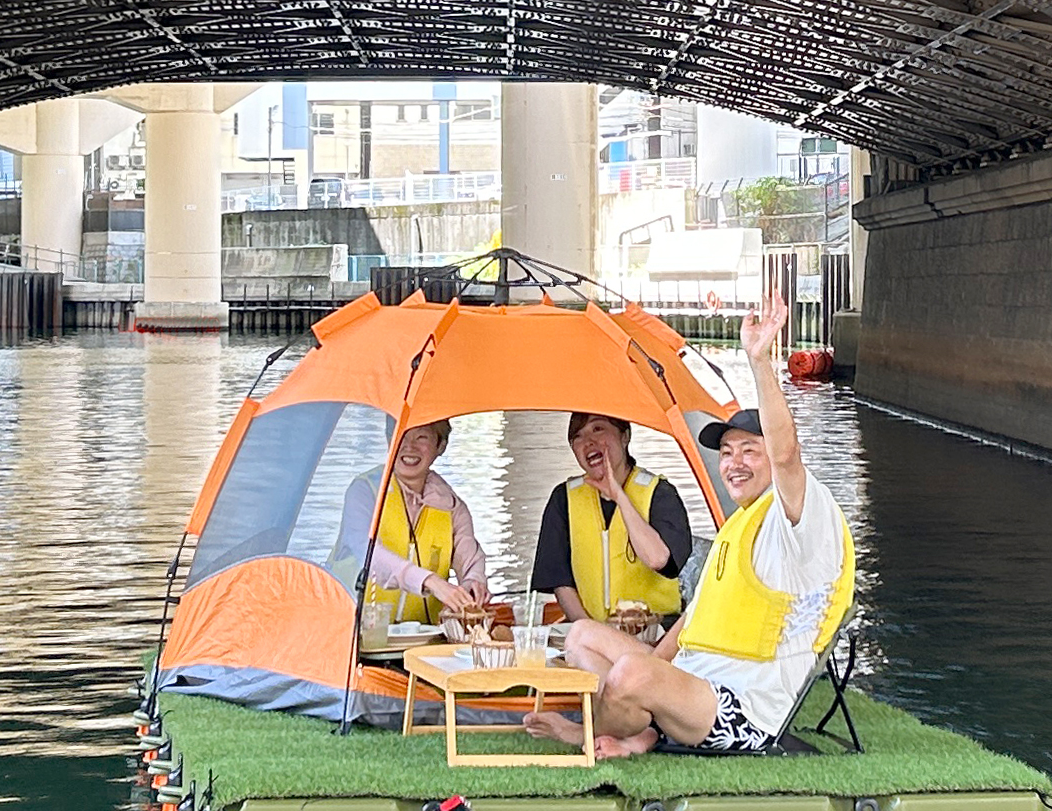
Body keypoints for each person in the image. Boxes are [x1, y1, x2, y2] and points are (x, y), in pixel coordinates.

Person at [524, 290, 854, 757]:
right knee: (583, 636)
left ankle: (596, 734)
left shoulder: (797, 517)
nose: (734, 463)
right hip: (692, 682)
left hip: (741, 709)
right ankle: (641, 728)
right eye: (727, 453)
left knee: (632, 676)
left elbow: (787, 455)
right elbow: (688, 628)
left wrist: (760, 362)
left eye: (749, 452)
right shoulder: (738, 528)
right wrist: (653, 679)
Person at [529, 412, 694, 623]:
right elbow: (560, 581)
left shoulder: (659, 493)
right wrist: (588, 629)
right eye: (577, 437)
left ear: (625, 436)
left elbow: (659, 559)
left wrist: (619, 496)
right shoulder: (563, 499)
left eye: (598, 429)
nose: (588, 441)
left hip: (657, 629)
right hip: (589, 630)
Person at [332, 419, 489, 623]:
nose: (409, 446)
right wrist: (430, 581)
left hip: (422, 640)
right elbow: (367, 554)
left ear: (440, 446)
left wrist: (473, 583)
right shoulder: (364, 491)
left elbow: (472, 561)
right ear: (390, 440)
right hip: (352, 634)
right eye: (401, 435)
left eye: (421, 437)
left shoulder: (453, 507)